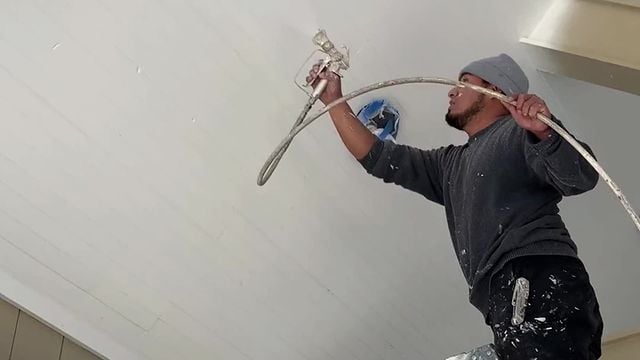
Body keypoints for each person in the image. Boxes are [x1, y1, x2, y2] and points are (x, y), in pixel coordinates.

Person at [307, 53, 603, 359]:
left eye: (464, 82)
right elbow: (380, 159)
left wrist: (544, 131)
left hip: (536, 278)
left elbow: (580, 177)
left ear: (497, 92)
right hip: (506, 301)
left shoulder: (519, 134)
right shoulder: (449, 165)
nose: (451, 90)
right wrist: (333, 100)